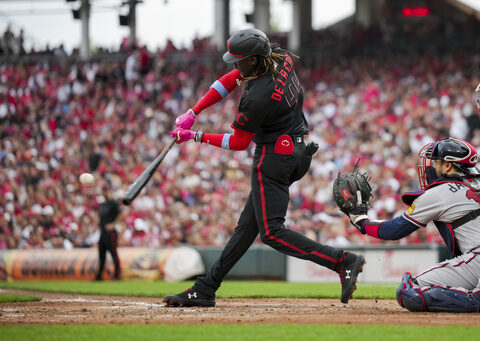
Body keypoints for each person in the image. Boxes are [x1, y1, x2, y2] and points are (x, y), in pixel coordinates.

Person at [163, 28, 365, 307]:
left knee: (271, 232)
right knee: (247, 227)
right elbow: (232, 79)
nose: (235, 64)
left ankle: (342, 261)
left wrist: (195, 135)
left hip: (272, 158)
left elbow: (238, 142)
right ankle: (206, 287)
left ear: (255, 60)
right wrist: (194, 111)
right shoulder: (279, 57)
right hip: (296, 151)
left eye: (240, 59)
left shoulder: (258, 97)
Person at [346, 137, 480, 312]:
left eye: (436, 162)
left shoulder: (441, 192)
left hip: (477, 258)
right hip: (475, 260)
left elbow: (393, 230)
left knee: (409, 291)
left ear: (448, 166)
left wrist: (360, 221)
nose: (431, 166)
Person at [95, 186, 122, 281]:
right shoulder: (102, 204)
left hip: (110, 233)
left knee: (113, 253)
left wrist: (113, 224)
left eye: (106, 191)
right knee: (101, 254)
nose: (105, 193)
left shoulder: (114, 203)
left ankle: (117, 275)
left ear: (110, 191)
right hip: (102, 232)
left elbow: (122, 213)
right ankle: (99, 276)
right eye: (104, 191)